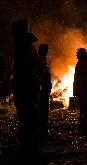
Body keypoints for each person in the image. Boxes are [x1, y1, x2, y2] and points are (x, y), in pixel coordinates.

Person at [11, 19, 40, 158]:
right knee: (26, 115)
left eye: (14, 31)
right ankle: (28, 144)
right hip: (25, 85)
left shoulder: (25, 47)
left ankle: (29, 146)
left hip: (25, 86)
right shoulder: (24, 46)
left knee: (27, 115)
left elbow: (28, 69)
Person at [38, 43, 52, 146]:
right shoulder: (40, 60)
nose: (47, 51)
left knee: (44, 111)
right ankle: (42, 132)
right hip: (41, 91)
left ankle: (43, 130)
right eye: (45, 50)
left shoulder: (42, 60)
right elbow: (40, 76)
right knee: (42, 111)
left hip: (44, 90)